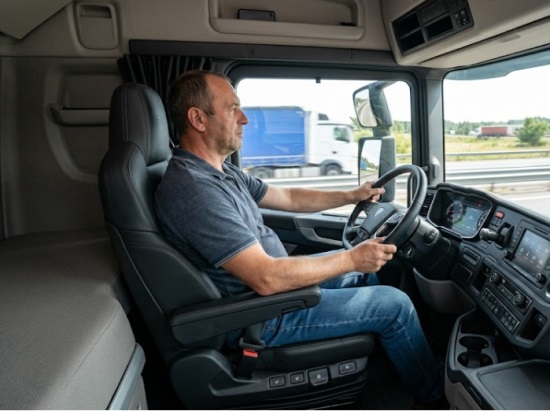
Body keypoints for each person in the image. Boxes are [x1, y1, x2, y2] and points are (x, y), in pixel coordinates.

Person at [155, 69, 446, 408]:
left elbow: (288, 197)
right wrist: (352, 257)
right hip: (258, 314)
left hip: (275, 291)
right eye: (233, 108)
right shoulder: (194, 190)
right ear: (198, 119)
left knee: (363, 273)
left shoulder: (221, 171)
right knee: (395, 305)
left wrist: (351, 195)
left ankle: (389, 363)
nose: (244, 118)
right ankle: (435, 397)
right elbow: (266, 278)